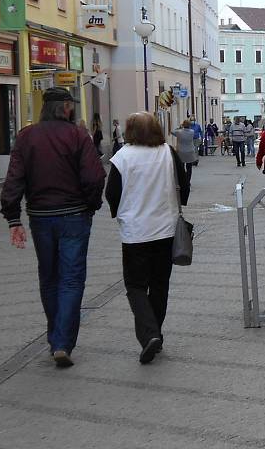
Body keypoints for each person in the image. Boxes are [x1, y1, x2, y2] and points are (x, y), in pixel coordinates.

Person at [0, 87, 106, 368]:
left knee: (49, 277)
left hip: (40, 217)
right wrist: (91, 205)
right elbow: (95, 177)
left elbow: (14, 179)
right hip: (74, 215)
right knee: (71, 279)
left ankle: (55, 337)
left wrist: (13, 218)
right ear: (66, 108)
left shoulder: (26, 136)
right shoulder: (78, 136)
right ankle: (62, 341)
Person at [105, 112, 190, 364]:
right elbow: (183, 186)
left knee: (136, 285)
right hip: (165, 229)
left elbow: (112, 193)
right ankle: (156, 333)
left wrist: (120, 213)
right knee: (160, 284)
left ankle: (150, 333)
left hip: (135, 232)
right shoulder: (167, 152)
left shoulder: (123, 157)